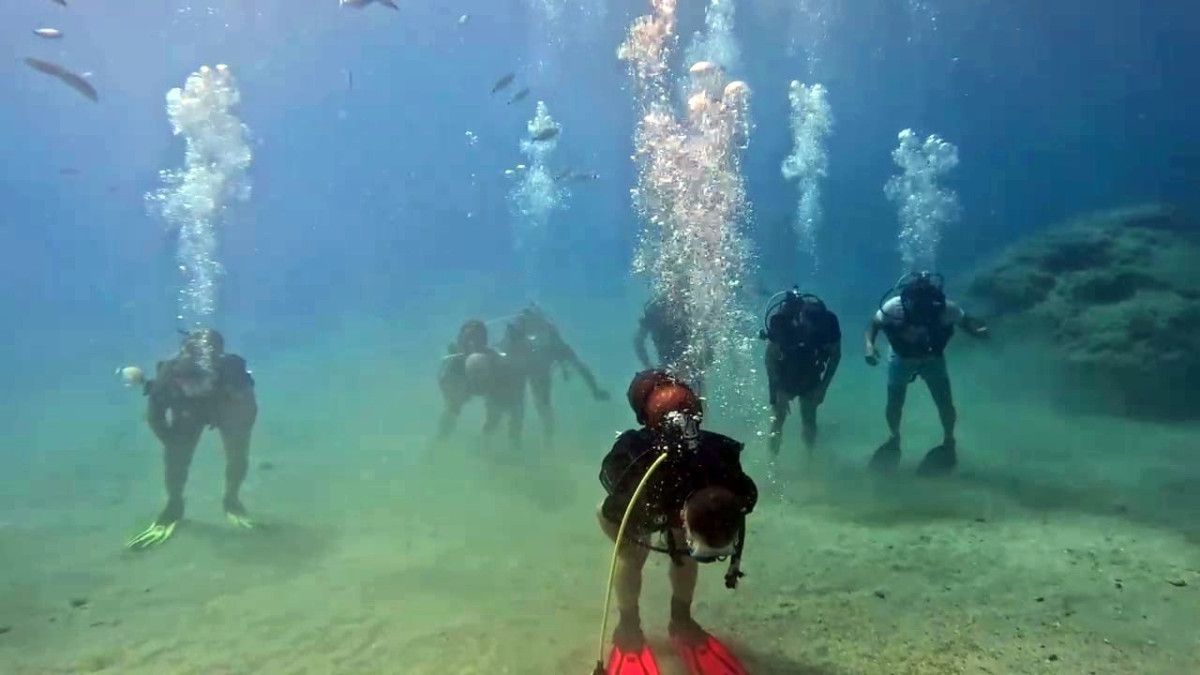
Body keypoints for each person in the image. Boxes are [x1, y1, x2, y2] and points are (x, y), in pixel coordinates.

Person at [598, 370, 756, 674]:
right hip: (641, 502)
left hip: (680, 500)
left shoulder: (723, 466)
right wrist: (643, 528)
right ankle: (628, 626)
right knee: (632, 554)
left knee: (682, 549)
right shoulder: (641, 473)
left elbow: (745, 497)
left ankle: (680, 619)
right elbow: (607, 515)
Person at [127, 328, 258, 550]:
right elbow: (155, 417)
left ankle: (232, 500)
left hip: (224, 407)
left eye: (198, 380)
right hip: (187, 411)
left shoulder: (232, 373)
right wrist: (171, 442)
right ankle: (174, 504)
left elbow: (248, 411)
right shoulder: (167, 376)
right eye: (186, 380)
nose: (192, 386)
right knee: (175, 460)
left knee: (237, 455)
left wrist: (238, 429)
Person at [864, 272, 989, 475]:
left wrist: (978, 332)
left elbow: (965, 322)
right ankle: (894, 436)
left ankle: (949, 440)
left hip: (932, 360)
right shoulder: (894, 306)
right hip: (901, 358)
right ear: (908, 300)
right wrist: (869, 345)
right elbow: (874, 324)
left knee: (944, 402)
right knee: (895, 401)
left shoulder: (946, 308)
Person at [500, 305, 609, 443]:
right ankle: (517, 441)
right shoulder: (517, 339)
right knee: (519, 405)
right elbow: (498, 358)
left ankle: (545, 441)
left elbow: (579, 365)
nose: (533, 341)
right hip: (523, 370)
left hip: (539, 372)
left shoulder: (553, 344)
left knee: (540, 406)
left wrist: (595, 390)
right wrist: (595, 390)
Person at [760, 288, 842, 458]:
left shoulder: (827, 325)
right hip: (784, 372)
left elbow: (835, 356)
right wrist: (775, 392)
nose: (810, 329)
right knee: (777, 419)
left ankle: (809, 457)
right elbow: (770, 358)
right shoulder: (783, 323)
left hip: (810, 372)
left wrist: (823, 388)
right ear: (798, 318)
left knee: (809, 418)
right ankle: (772, 462)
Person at [435, 319, 523, 449]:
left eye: (478, 339)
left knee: (502, 411)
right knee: (452, 409)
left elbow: (511, 386)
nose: (473, 344)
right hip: (462, 379)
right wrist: (452, 393)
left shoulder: (494, 359)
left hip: (492, 383)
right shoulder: (454, 364)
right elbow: (443, 382)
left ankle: (500, 444)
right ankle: (439, 442)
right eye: (468, 339)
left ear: (484, 341)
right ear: (461, 341)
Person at [633, 293, 709, 393]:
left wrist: (695, 362)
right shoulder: (656, 307)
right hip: (668, 369)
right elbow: (638, 341)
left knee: (695, 400)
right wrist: (649, 366)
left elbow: (708, 346)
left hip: (691, 370)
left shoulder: (694, 306)